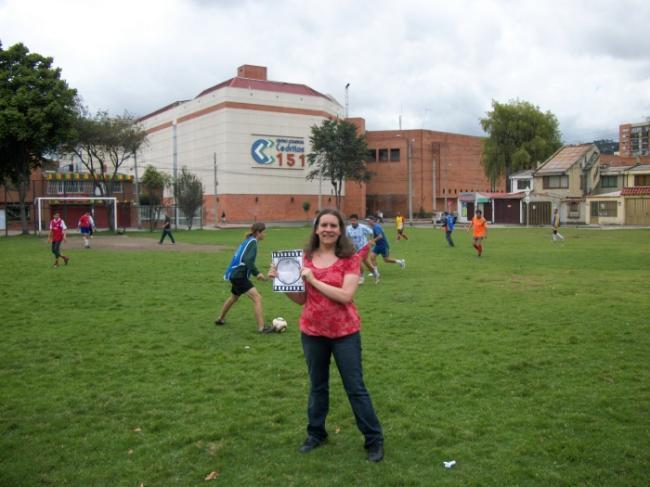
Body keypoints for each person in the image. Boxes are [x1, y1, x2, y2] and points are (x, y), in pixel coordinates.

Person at [269, 209, 384, 462]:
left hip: (344, 333)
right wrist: (283, 283)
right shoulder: (305, 258)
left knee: (355, 388)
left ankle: (374, 440)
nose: (328, 229)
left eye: (333, 225)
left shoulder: (349, 259)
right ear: (316, 229)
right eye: (324, 225)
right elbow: (301, 300)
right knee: (317, 387)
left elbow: (346, 296)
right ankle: (316, 434)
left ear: (340, 230)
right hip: (312, 332)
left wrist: (314, 280)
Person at [216, 222, 273, 333]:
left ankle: (220, 319)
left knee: (234, 298)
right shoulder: (252, 243)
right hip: (239, 276)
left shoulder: (248, 241)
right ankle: (262, 328)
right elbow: (248, 260)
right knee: (257, 298)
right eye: (264, 232)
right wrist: (257, 273)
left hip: (235, 274)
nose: (265, 234)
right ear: (258, 232)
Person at [368, 215, 405, 282]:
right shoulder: (374, 227)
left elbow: (380, 236)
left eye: (369, 220)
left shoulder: (376, 227)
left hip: (384, 245)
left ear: (373, 221)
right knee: (372, 257)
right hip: (378, 245)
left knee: (386, 260)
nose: (368, 222)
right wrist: (372, 241)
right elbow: (375, 235)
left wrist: (373, 241)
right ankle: (376, 273)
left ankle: (400, 262)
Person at [345, 214, 375, 284]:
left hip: (364, 246)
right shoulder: (348, 228)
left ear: (357, 220)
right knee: (366, 263)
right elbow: (346, 237)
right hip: (355, 248)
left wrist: (371, 240)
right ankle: (375, 272)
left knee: (358, 260)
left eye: (354, 220)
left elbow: (371, 232)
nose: (353, 222)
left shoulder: (362, 227)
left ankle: (361, 278)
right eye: (351, 220)